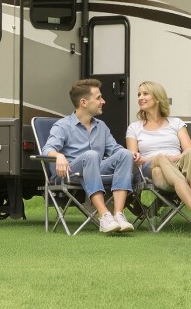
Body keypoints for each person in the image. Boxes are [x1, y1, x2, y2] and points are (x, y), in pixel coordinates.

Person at [43, 78, 135, 234]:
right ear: (84, 102)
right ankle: (104, 215)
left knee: (125, 154)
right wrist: (59, 156)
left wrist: (134, 154)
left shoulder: (101, 126)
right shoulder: (63, 125)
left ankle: (118, 215)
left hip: (96, 169)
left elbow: (115, 150)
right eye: (98, 98)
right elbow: (47, 149)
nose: (103, 101)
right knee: (91, 155)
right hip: (71, 172)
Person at [125, 81, 191, 235]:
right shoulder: (134, 128)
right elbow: (134, 158)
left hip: (177, 168)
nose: (140, 97)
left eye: (145, 94)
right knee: (161, 158)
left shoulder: (176, 123)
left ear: (157, 98)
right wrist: (162, 157)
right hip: (153, 170)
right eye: (139, 94)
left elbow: (189, 152)